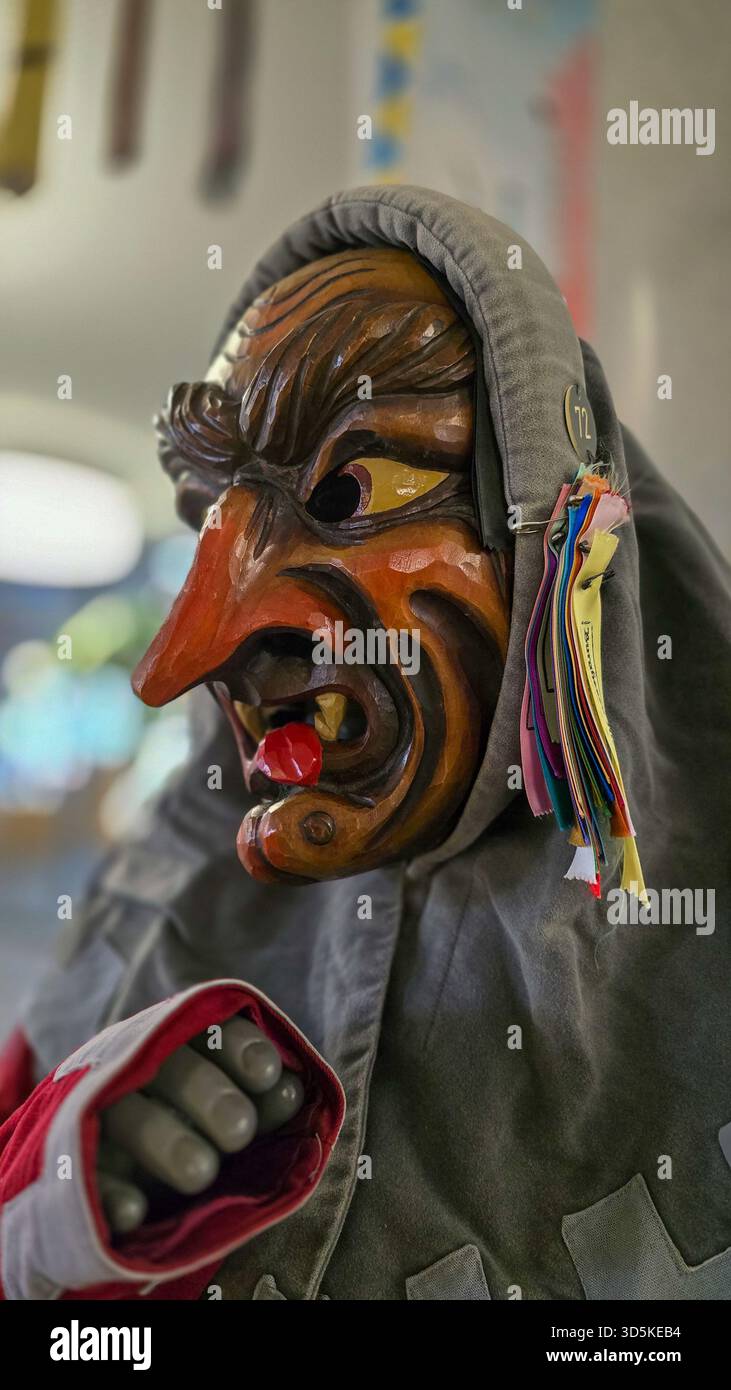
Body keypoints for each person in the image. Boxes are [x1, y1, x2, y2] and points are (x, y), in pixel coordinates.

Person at [1, 185, 729, 1301]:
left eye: (348, 488)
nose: (178, 664)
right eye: (208, 524)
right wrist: (65, 1200)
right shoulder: (146, 905)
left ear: (556, 550)